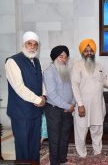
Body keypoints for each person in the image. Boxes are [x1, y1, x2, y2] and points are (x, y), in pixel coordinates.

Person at [71, 39, 108, 159]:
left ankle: (97, 151)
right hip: (83, 105)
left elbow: (105, 81)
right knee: (81, 131)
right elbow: (75, 86)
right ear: (82, 52)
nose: (89, 53)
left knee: (97, 129)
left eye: (91, 51)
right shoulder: (77, 66)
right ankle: (82, 155)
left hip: (98, 105)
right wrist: (80, 104)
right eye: (86, 51)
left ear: (94, 52)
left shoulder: (99, 65)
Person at [5, 31, 46, 162]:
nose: (32, 47)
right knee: (23, 147)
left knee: (34, 146)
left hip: (36, 111)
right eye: (29, 43)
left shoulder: (37, 61)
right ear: (24, 44)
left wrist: (44, 96)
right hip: (20, 113)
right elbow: (19, 87)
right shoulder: (12, 61)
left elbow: (42, 81)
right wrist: (37, 99)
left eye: (35, 44)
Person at [43, 45, 75, 165]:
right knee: (55, 139)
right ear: (55, 57)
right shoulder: (48, 72)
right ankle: (54, 163)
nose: (64, 59)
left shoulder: (67, 70)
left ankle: (63, 160)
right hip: (54, 110)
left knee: (65, 137)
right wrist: (68, 106)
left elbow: (73, 89)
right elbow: (51, 94)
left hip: (67, 110)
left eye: (66, 57)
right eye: (61, 56)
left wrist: (72, 103)